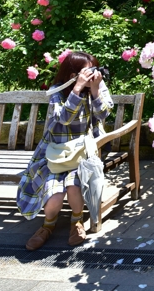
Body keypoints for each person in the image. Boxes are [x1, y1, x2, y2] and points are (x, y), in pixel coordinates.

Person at [17, 51, 113, 250]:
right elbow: (63, 119)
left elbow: (103, 114)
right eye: (88, 71)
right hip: (55, 152)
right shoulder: (57, 91)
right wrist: (77, 89)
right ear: (72, 75)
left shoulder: (96, 87)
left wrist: (94, 90)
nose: (92, 75)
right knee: (55, 195)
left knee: (73, 187)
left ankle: (76, 222)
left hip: (83, 151)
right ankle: (47, 225)